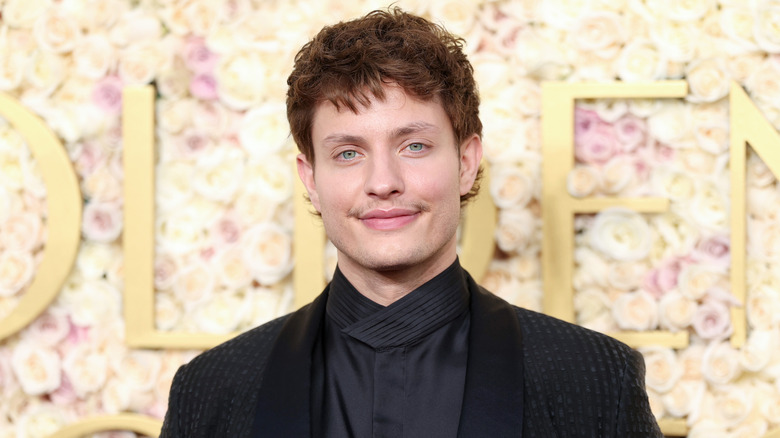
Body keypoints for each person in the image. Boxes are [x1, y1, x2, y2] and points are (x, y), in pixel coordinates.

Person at [160, 8, 662, 438]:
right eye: (349, 152)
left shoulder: (594, 380)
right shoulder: (211, 391)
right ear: (310, 178)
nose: (383, 182)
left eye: (413, 145)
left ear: (467, 163)